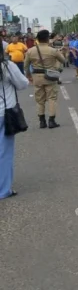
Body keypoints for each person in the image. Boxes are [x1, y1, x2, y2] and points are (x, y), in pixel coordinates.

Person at [0, 44, 29, 199]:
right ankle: (3, 190)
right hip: (4, 113)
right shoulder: (7, 66)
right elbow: (23, 84)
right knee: (4, 152)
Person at [24, 30, 66, 129]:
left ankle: (42, 121)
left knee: (40, 100)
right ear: (48, 39)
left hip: (37, 77)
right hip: (50, 77)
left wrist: (28, 76)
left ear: (37, 39)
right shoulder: (53, 50)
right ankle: (51, 121)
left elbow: (26, 66)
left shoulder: (30, 51)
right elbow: (63, 61)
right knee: (52, 98)